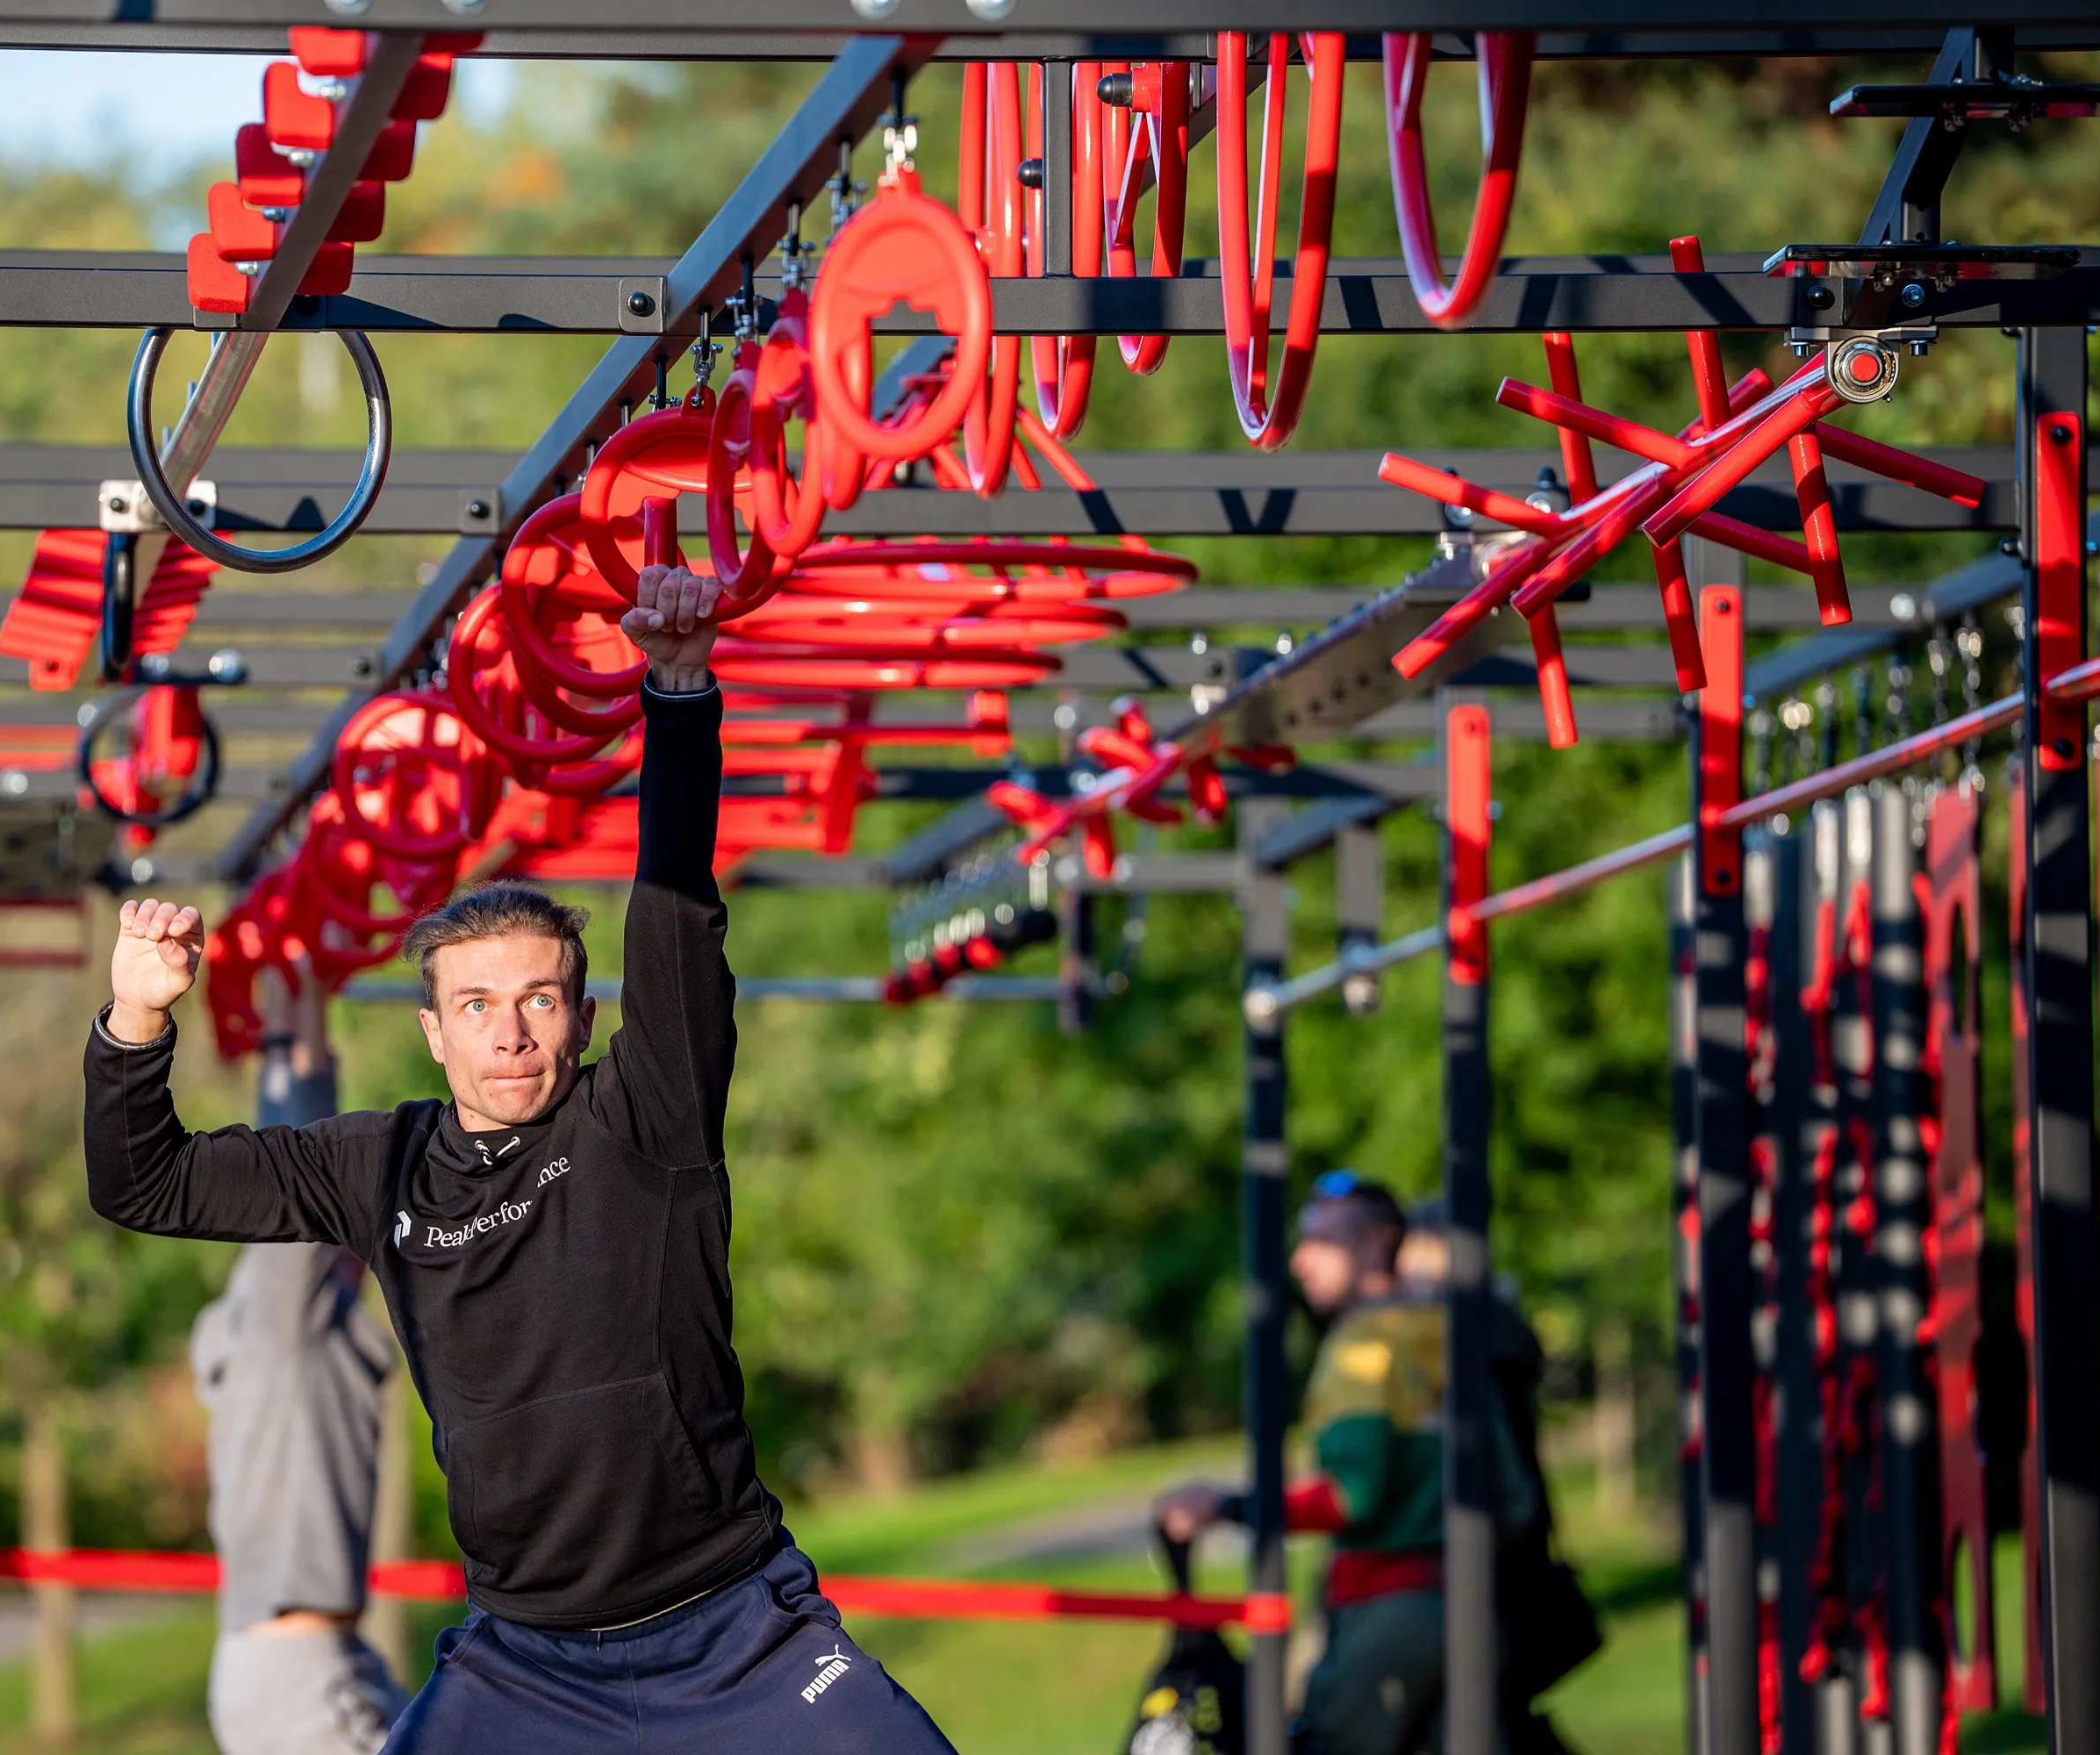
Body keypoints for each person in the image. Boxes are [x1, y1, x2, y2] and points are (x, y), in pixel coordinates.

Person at [84, 563, 957, 1754]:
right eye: (479, 1005)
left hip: (736, 1632)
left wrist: (681, 690)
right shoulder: (374, 1167)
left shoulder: (644, 1123)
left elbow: (673, 908)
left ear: (582, 1019)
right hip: (525, 1666)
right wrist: (136, 1021)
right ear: (433, 1031)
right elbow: (147, 1183)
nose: (510, 1031)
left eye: (540, 1001)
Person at [1157, 1177, 1530, 1755]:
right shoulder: (1445, 1331)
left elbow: (1350, 1498)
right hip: (1475, 1604)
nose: (1300, 1261)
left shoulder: (1362, 1350)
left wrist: (1226, 1506)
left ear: (1379, 1244)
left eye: (1321, 1241)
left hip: (1388, 1614)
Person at [193, 973, 407, 1755]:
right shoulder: (284, 1319)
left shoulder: (275, 1324)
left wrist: (290, 1013)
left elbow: (286, 1146)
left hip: (309, 1657)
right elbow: (297, 1154)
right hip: (296, 1669)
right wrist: (304, 981)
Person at [1395, 1202, 1594, 1755]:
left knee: (1489, 1718)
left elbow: (1506, 1487)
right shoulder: (1494, 1331)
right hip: (1509, 1560)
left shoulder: (1468, 1343)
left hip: (1493, 1569)